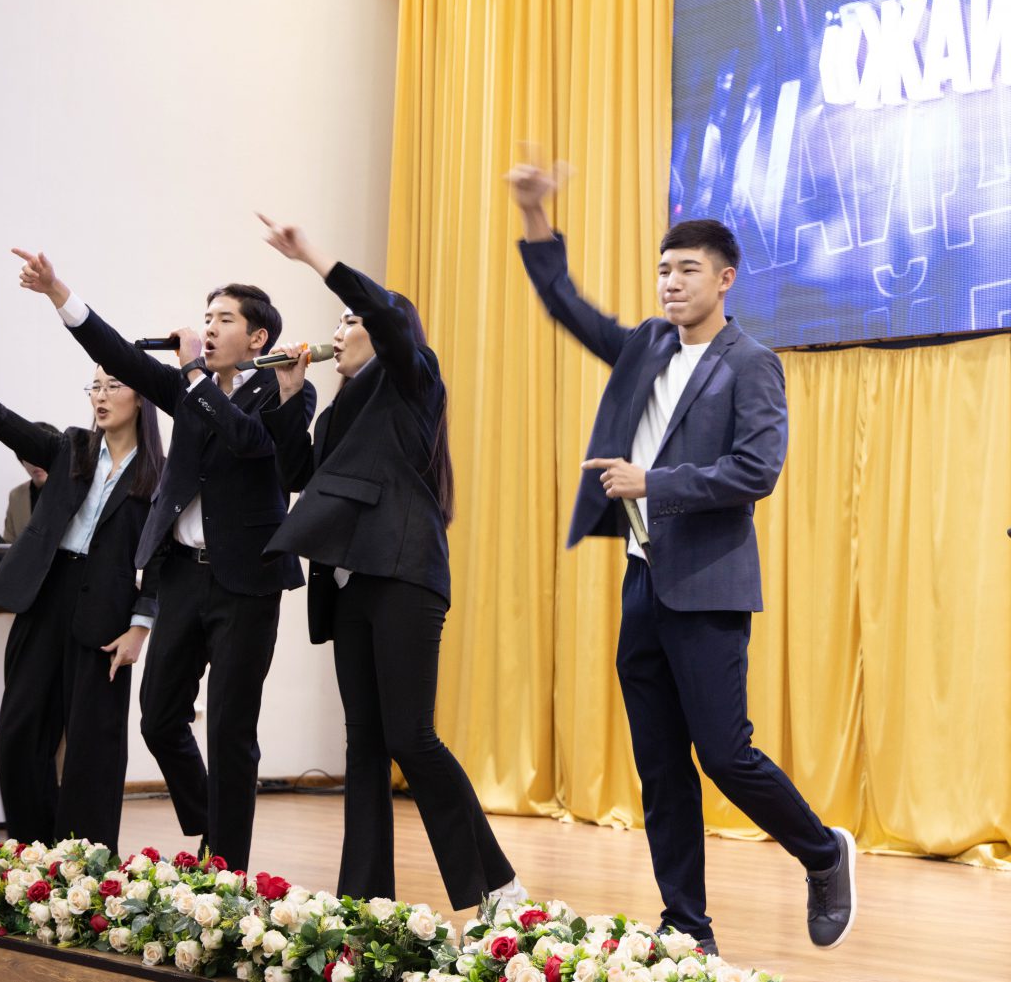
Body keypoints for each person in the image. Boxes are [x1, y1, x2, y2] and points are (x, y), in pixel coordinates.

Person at [506, 162, 856, 954]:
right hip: (644, 584)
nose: (670, 282)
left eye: (688, 269)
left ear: (725, 279)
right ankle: (687, 927)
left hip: (709, 586)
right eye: (663, 269)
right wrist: (533, 214)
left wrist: (652, 482)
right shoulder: (646, 346)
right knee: (661, 766)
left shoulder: (750, 362)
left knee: (726, 755)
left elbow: (756, 470)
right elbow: (566, 303)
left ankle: (823, 851)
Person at [253, 214, 527, 914]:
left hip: (403, 573)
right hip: (350, 584)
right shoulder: (336, 412)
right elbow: (297, 476)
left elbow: (380, 310)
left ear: (383, 332)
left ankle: (497, 884)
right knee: (365, 745)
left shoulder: (412, 377)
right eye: (339, 322)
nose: (338, 332)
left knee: (411, 735)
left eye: (350, 322)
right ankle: (364, 899)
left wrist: (313, 255)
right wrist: (287, 395)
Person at [11, 247, 313, 872]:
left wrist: (196, 377)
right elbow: (119, 354)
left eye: (224, 319)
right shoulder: (186, 387)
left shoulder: (284, 389)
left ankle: (225, 869)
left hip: (246, 584)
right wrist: (59, 292)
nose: (209, 328)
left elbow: (250, 443)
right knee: (158, 718)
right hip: (180, 575)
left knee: (231, 730)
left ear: (257, 337)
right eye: (207, 318)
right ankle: (210, 824)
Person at [0, 364, 164, 850]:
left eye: (113, 386)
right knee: (19, 731)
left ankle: (84, 860)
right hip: (46, 596)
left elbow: (160, 556)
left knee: (94, 745)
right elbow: (10, 425)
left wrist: (140, 627)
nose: (100, 396)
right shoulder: (73, 447)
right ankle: (33, 851)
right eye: (94, 386)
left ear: (142, 398)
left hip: (108, 610)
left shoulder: (159, 473)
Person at [2, 436, 53, 543]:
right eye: (28, 456)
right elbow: (8, 542)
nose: (36, 463)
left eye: (41, 455)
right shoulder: (16, 495)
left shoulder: (71, 492)